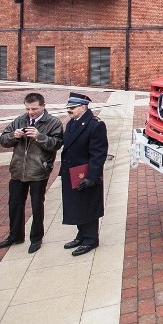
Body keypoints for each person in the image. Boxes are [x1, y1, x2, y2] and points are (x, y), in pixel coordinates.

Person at [0, 92, 63, 253]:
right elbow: (3, 140)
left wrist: (39, 136)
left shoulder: (53, 123)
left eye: (34, 109)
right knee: (15, 205)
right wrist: (13, 136)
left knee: (37, 206)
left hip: (38, 171)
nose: (31, 112)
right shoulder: (20, 120)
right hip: (18, 170)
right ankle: (15, 236)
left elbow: (57, 144)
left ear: (43, 106)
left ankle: (36, 238)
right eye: (28, 109)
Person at [59, 92, 108, 256]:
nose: (69, 111)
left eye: (72, 108)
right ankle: (81, 235)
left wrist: (91, 178)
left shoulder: (95, 125)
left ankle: (91, 239)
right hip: (72, 172)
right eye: (68, 108)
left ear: (83, 107)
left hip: (86, 174)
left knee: (88, 206)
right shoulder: (72, 123)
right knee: (77, 205)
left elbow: (98, 154)